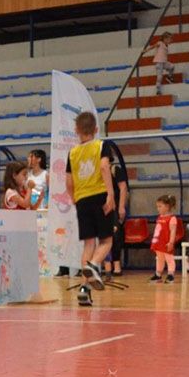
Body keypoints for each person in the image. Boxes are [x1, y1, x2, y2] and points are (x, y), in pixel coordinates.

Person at [64, 111, 115, 305]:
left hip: (82, 198)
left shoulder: (73, 153)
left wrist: (74, 198)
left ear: (76, 130)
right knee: (107, 240)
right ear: (96, 129)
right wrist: (110, 194)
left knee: (88, 244)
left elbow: (68, 181)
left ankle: (84, 289)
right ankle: (93, 266)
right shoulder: (102, 145)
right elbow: (103, 167)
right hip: (99, 195)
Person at [104, 158, 130, 277]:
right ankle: (107, 266)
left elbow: (123, 188)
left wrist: (121, 207)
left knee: (116, 234)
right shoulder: (97, 171)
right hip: (102, 207)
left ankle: (117, 265)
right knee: (104, 236)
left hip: (114, 206)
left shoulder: (115, 169)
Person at [148, 194, 181, 283]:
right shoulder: (159, 217)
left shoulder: (172, 218)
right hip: (158, 242)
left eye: (160, 206)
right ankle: (158, 274)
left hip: (166, 242)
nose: (158, 208)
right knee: (159, 258)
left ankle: (170, 274)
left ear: (167, 207)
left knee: (169, 258)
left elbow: (173, 231)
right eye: (157, 206)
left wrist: (171, 242)